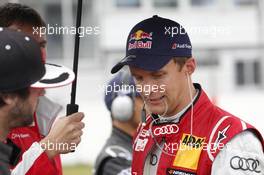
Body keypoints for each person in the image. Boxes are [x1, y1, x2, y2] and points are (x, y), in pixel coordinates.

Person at [110, 15, 264, 174]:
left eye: (158, 76)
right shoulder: (144, 130)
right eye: (139, 78)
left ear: (189, 67)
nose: (147, 89)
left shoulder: (233, 140)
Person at [0, 3, 85, 175]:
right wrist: (48, 148)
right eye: (25, 44)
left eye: (41, 45)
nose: (37, 55)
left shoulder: (43, 113)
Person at [94, 71, 143, 175]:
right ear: (123, 105)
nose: (151, 105)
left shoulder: (140, 147)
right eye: (144, 98)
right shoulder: (114, 160)